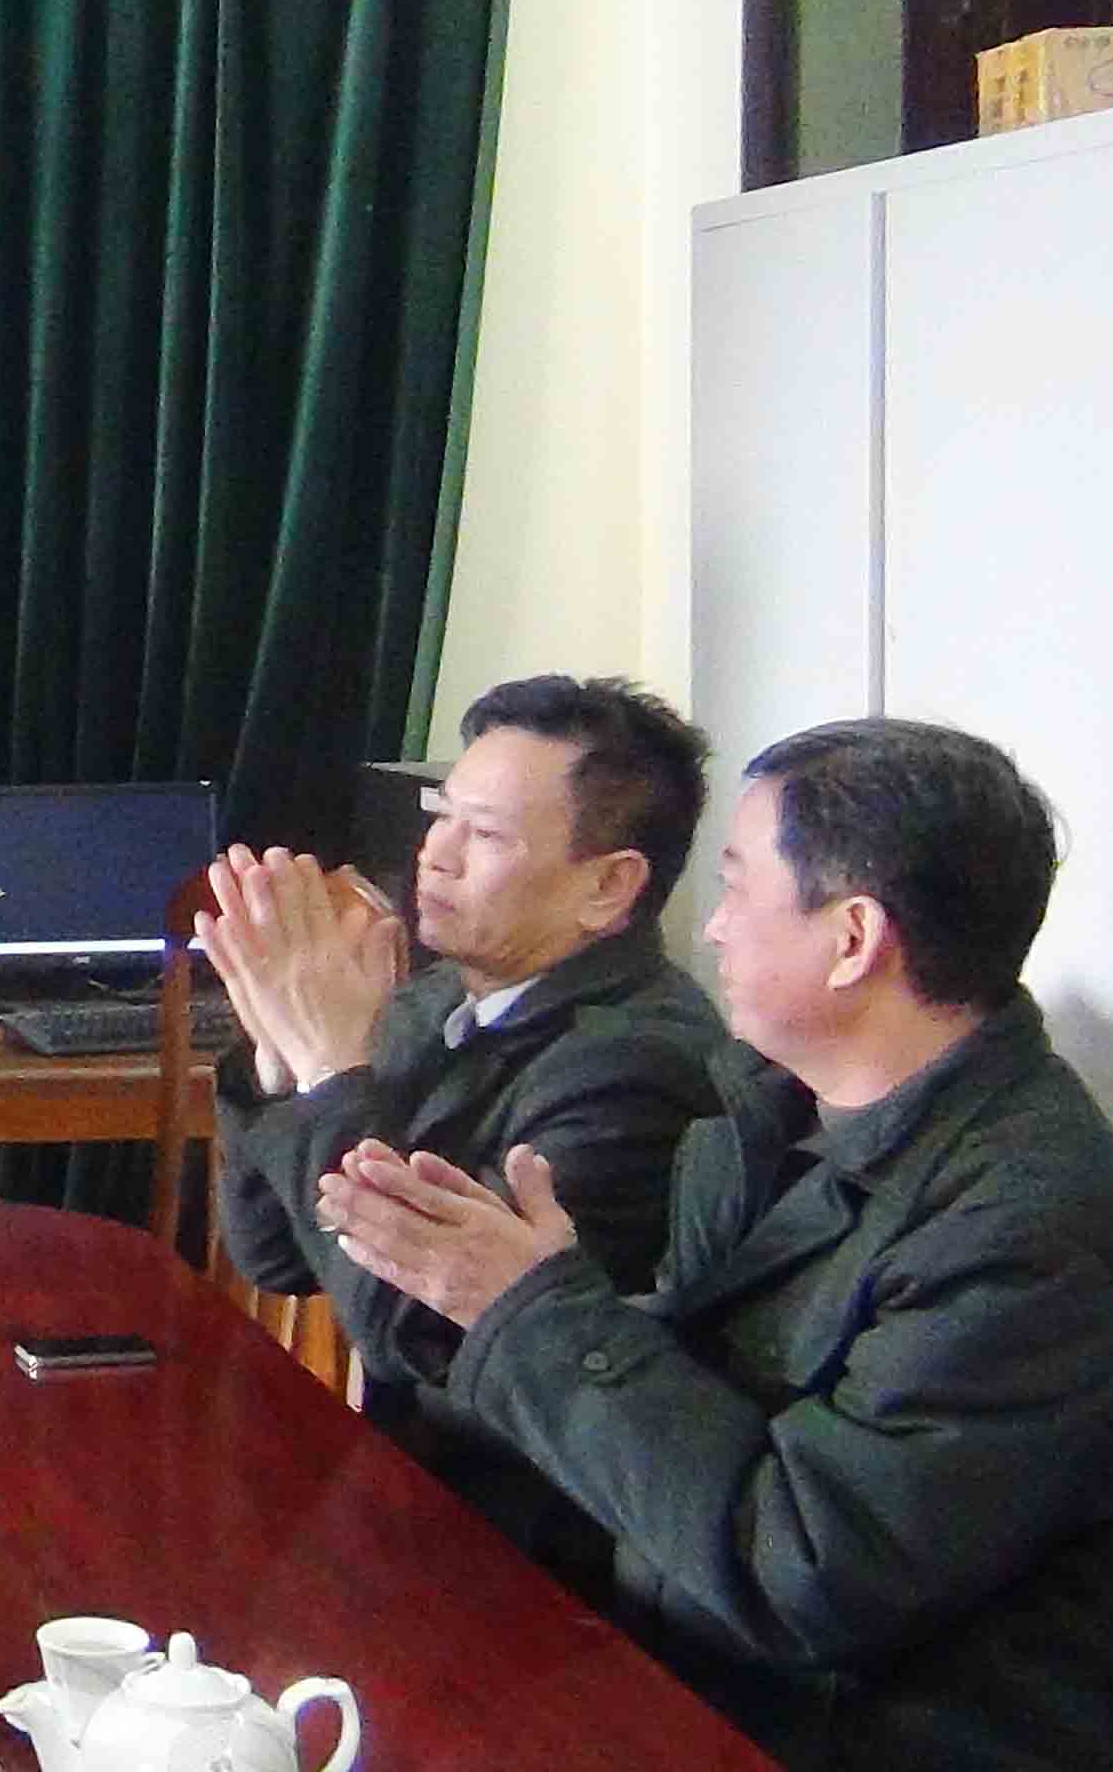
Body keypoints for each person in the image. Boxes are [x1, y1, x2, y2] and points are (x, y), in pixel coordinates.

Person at [322, 718, 1113, 1771]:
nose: (715, 928)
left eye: (737, 886)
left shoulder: (1029, 1237)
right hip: (705, 1680)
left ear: (854, 939)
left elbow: (799, 1575)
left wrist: (531, 1308)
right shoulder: (770, 1111)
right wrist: (534, 1303)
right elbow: (695, 1415)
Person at [204, 674, 724, 1576]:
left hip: (526, 1550)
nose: (433, 856)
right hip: (401, 1500)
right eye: (440, 814)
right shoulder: (437, 997)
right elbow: (273, 1255)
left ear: (608, 887)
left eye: (483, 835)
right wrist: (281, 1060)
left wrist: (331, 1068)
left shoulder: (638, 1066)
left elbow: (415, 1335)